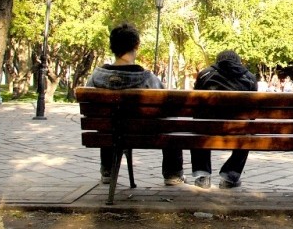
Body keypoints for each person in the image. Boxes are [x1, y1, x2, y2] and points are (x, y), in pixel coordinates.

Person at [85, 23, 184, 186]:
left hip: (109, 133)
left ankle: (108, 170)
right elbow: (166, 105)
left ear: (112, 46)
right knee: (170, 123)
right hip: (144, 133)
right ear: (136, 45)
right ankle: (172, 174)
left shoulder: (96, 77)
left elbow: (91, 110)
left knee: (109, 122)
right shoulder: (147, 78)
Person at [190, 49, 258, 189]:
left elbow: (195, 105)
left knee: (198, 125)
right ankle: (230, 175)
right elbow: (253, 114)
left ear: (217, 61)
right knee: (248, 130)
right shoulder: (250, 78)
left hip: (207, 127)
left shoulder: (205, 74)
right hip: (238, 129)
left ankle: (202, 175)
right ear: (238, 62)